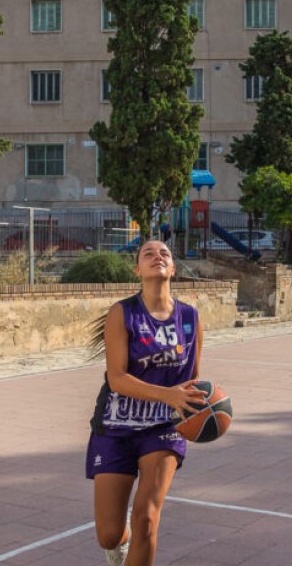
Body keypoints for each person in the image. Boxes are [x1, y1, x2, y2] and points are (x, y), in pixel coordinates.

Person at [87, 239, 206, 565]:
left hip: (164, 427)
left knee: (147, 519)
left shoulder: (190, 318)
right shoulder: (122, 313)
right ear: (137, 269)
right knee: (108, 534)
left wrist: (206, 409)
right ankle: (119, 542)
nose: (157, 257)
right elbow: (118, 379)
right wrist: (168, 394)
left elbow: (192, 379)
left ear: (174, 269)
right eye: (148, 254)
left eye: (165, 253)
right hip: (115, 426)